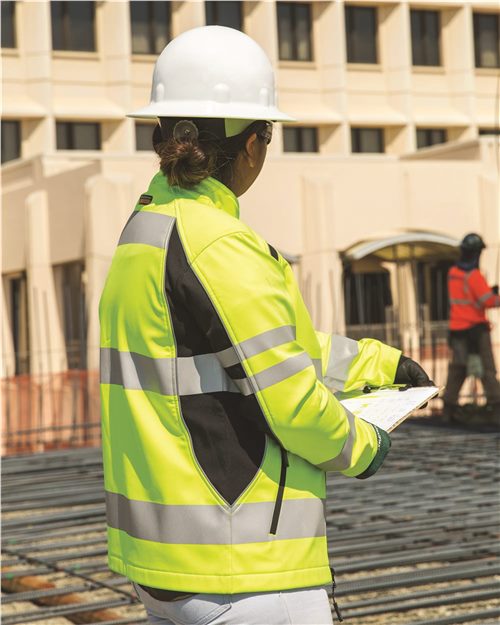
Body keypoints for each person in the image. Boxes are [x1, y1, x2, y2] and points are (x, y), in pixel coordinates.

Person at [99, 26, 431, 625]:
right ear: (252, 144)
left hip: (169, 564)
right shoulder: (218, 243)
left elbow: (257, 350)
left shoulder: (145, 229)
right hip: (244, 566)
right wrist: (363, 447)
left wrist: (376, 363)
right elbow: (293, 402)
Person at [442, 233, 500, 422]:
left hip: (457, 329)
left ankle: (448, 407)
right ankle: (496, 406)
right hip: (476, 330)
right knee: (487, 369)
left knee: (458, 369)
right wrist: (495, 296)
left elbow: (468, 297)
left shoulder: (453, 273)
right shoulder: (474, 276)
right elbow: (488, 301)